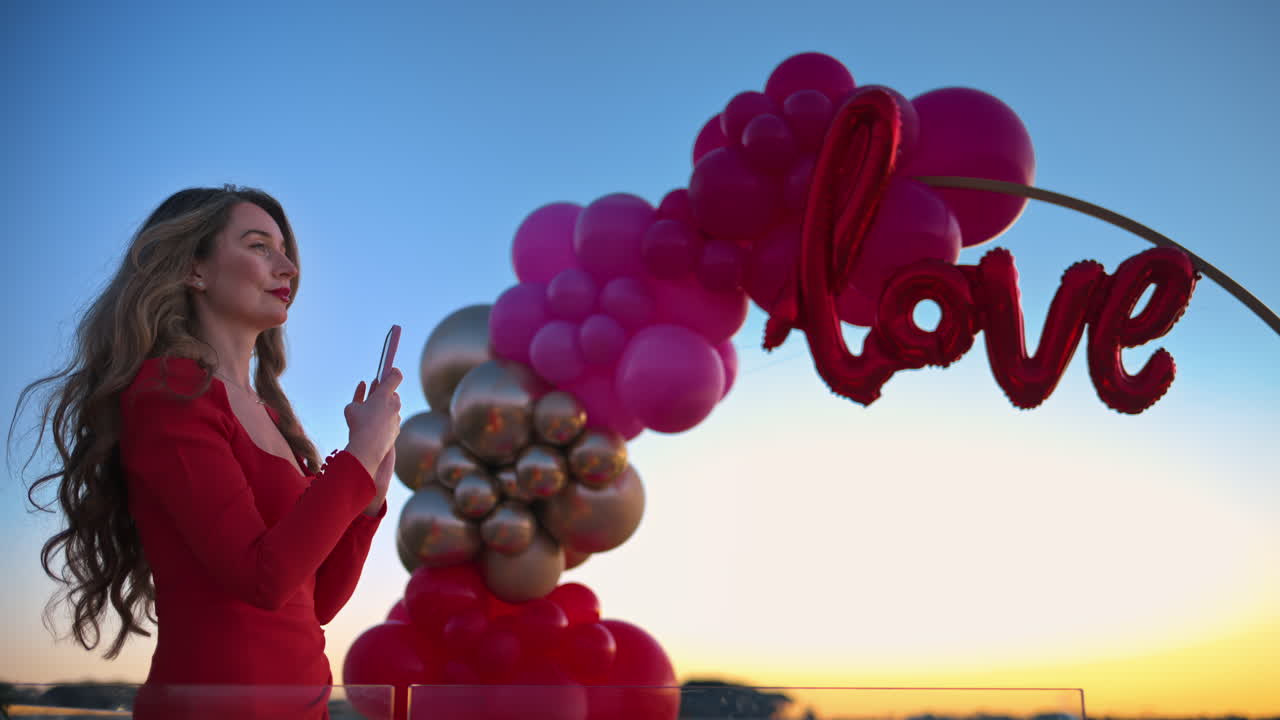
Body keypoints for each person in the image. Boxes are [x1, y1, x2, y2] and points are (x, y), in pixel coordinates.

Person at [12, 186, 402, 718]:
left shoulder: (269, 417)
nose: (288, 267)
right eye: (259, 246)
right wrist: (355, 459)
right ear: (194, 271)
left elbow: (314, 604)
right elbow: (260, 577)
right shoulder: (167, 392)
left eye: (286, 250)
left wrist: (368, 504)